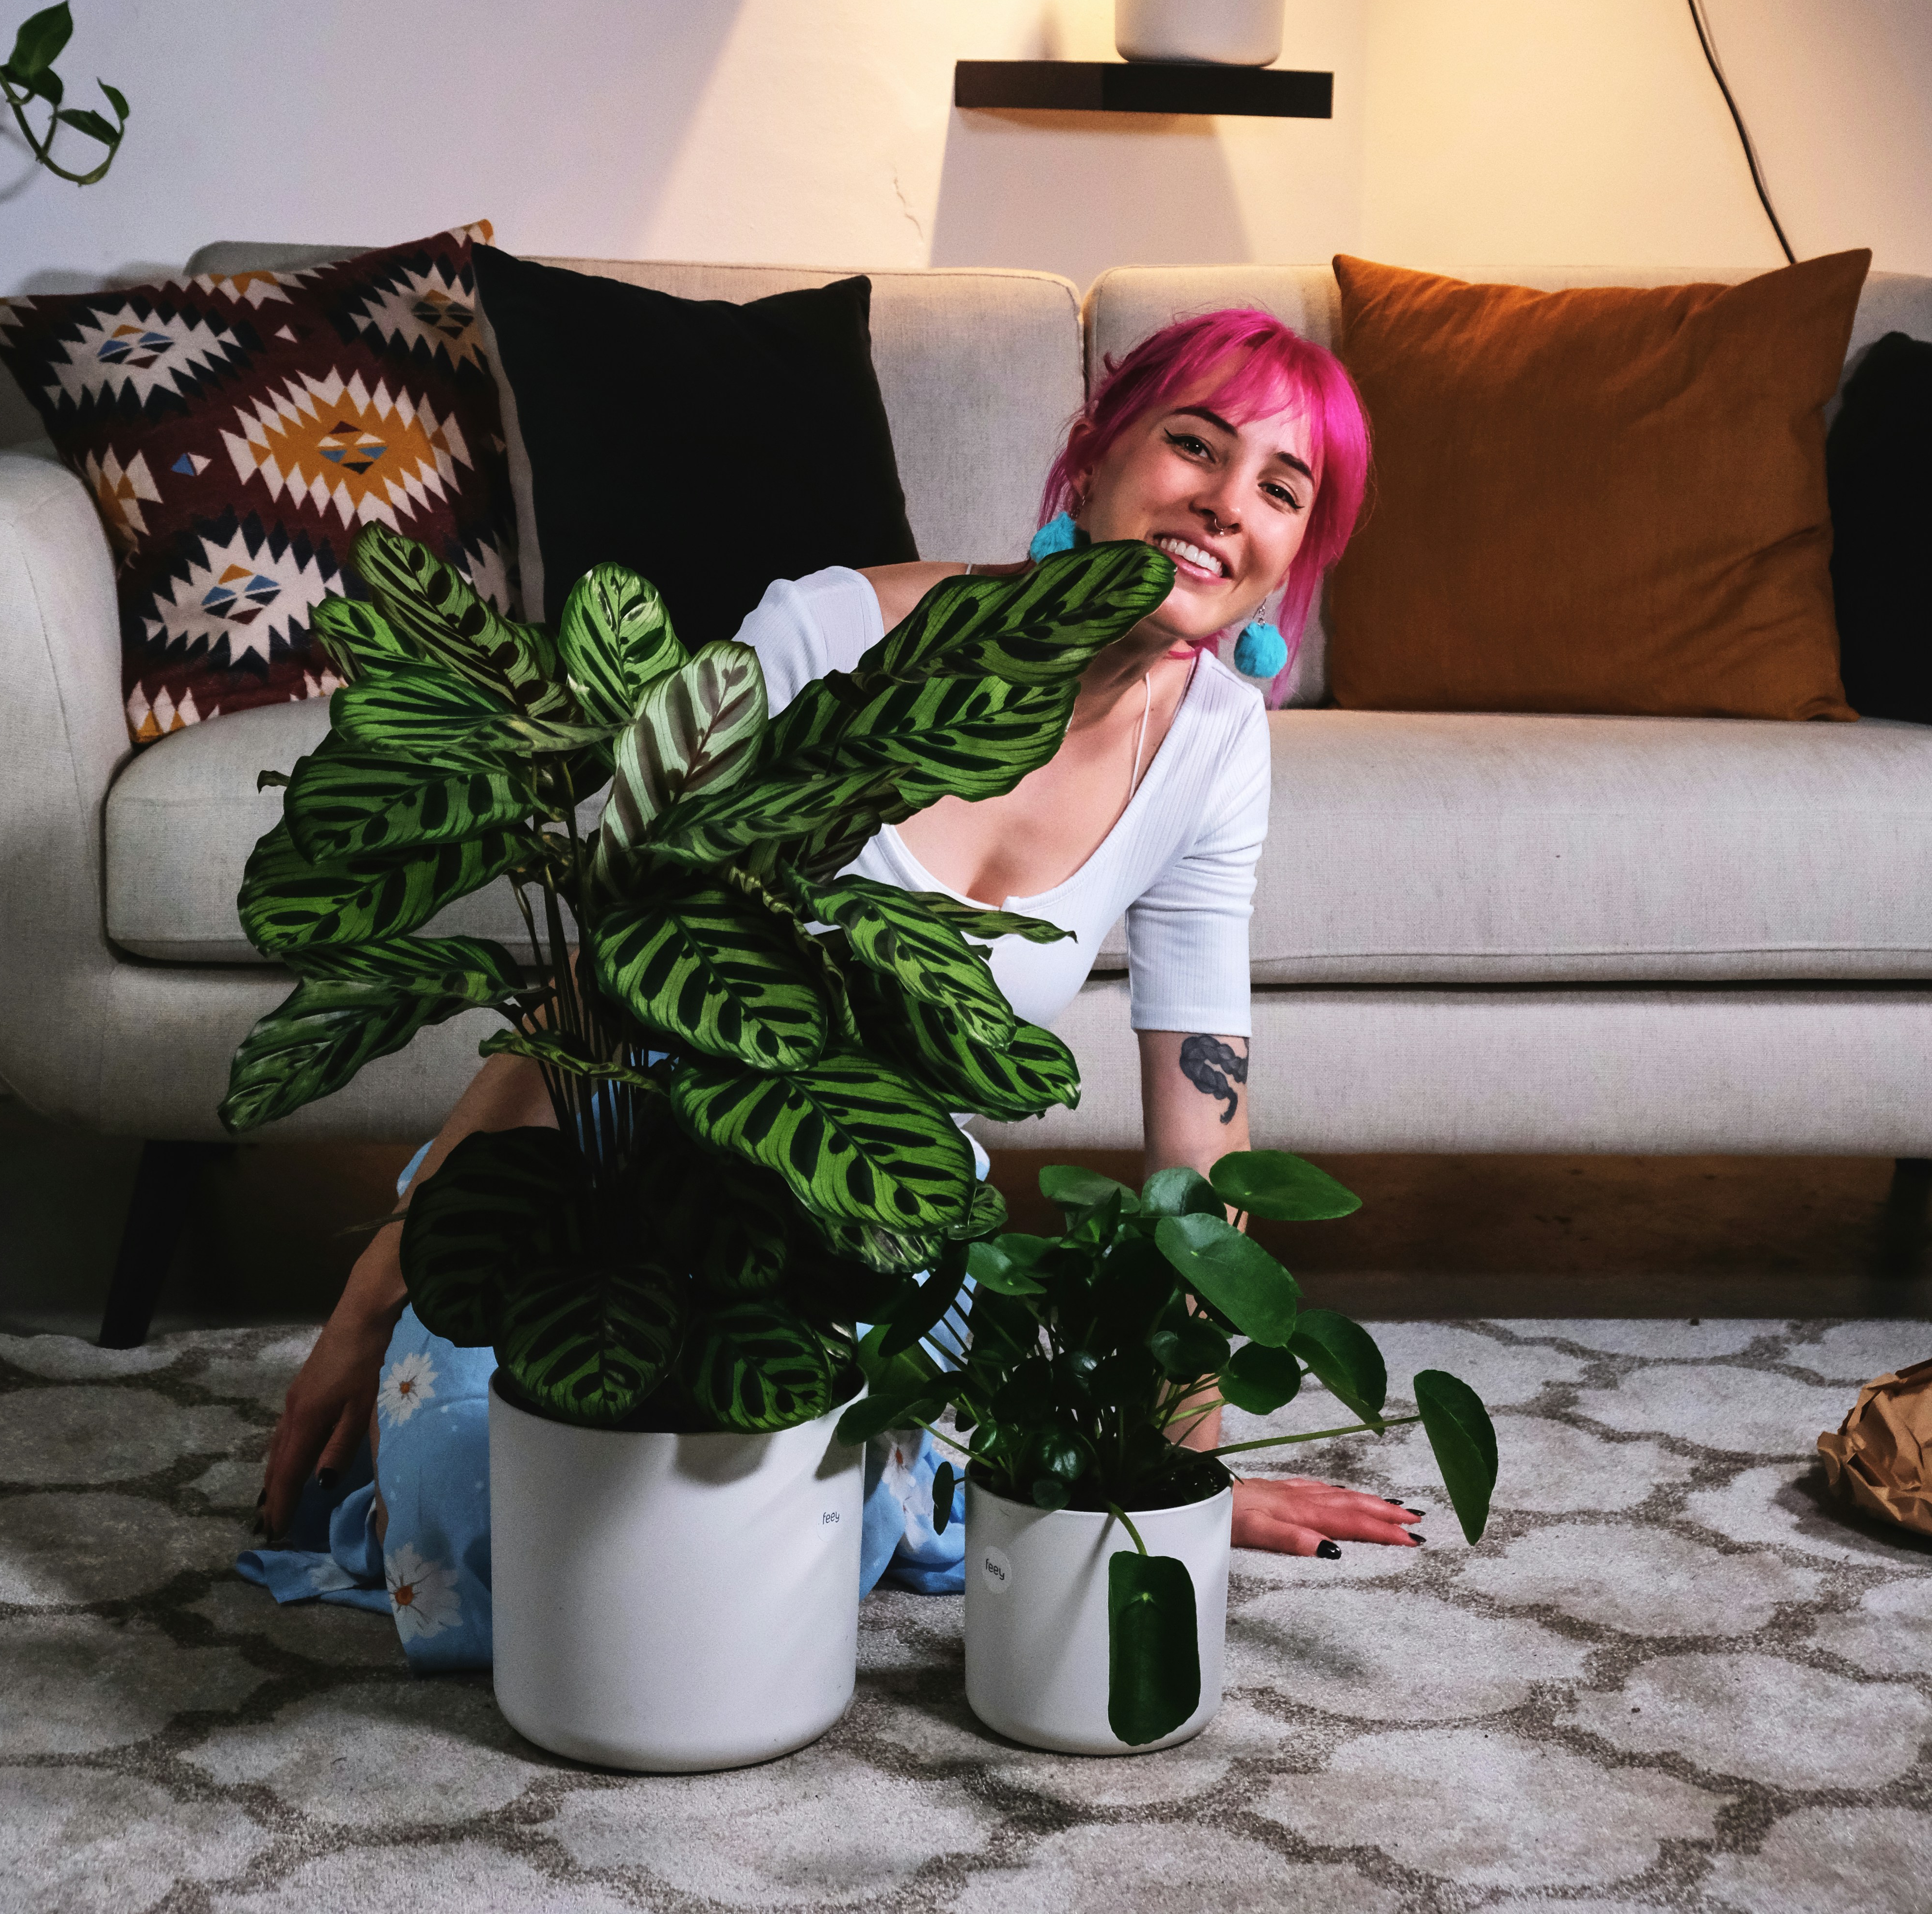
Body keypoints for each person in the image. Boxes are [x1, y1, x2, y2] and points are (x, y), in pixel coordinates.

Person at [245, 305, 1421, 1660]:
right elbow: (618, 979)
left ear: (1291, 566)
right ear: (1093, 460)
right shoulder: (838, 631)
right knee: (482, 1505)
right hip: (622, 1154)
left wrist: (1173, 1479)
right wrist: (377, 1288)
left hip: (874, 1212)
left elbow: (1201, 1138)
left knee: (760, 1532)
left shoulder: (1216, 748)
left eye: (1283, 490)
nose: (1225, 506)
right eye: (1195, 448)